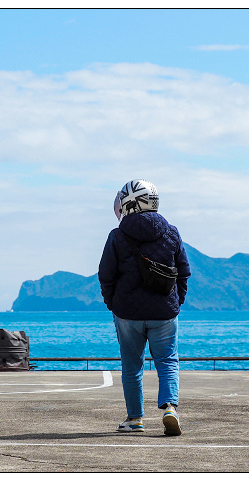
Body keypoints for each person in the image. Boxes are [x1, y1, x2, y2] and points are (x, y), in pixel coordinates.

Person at [98, 179, 191, 436]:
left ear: (128, 203)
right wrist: (176, 301)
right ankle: (170, 408)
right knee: (168, 361)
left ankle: (135, 418)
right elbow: (184, 272)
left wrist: (113, 305)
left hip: (127, 314)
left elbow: (106, 276)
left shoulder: (117, 236)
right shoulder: (171, 232)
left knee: (131, 367)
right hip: (164, 312)